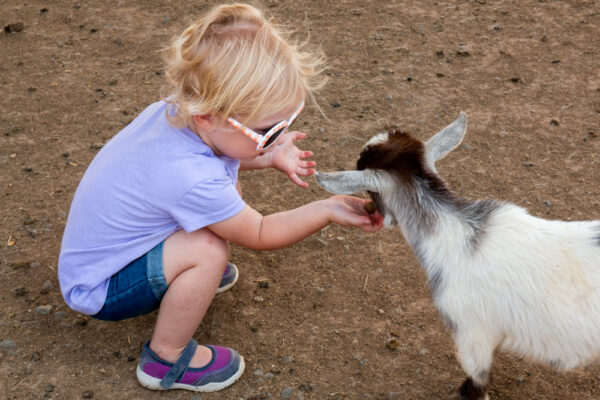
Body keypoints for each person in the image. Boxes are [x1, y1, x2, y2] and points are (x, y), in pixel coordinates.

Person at [58, 3, 383, 393]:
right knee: (210, 249)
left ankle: (182, 279)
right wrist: (326, 208)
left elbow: (215, 165)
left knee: (222, 199)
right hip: (101, 287)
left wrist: (267, 153)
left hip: (103, 256)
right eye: (267, 131)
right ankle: (165, 358)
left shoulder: (173, 116)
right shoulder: (191, 179)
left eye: (287, 124)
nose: (279, 138)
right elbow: (260, 232)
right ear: (207, 117)